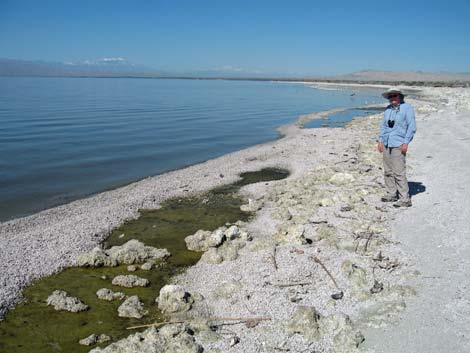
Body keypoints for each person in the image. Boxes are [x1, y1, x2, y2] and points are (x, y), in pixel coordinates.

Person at [377, 87, 417, 207]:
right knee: (388, 171)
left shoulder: (407, 108)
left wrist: (406, 142)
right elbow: (384, 126)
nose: (392, 98)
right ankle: (391, 194)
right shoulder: (388, 109)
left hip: (398, 143)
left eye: (394, 96)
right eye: (390, 96)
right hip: (386, 143)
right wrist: (380, 141)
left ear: (400, 96)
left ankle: (405, 198)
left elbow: (412, 127)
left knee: (399, 171)